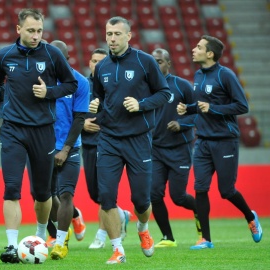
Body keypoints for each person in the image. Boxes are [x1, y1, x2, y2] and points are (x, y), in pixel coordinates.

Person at [0, 8, 77, 264]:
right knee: (11, 188)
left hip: (44, 131)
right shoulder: (5, 55)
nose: (36, 36)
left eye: (39, 31)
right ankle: (11, 245)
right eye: (31, 30)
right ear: (18, 29)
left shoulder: (52, 54)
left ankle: (40, 235)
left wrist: (49, 93)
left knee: (43, 194)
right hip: (12, 129)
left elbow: (71, 84)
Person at [89, 16, 171, 264]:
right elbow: (101, 101)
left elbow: (164, 93)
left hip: (138, 139)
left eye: (116, 34)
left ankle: (143, 228)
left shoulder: (144, 61)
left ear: (128, 36)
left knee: (141, 200)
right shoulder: (101, 67)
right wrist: (96, 107)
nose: (111, 38)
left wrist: (141, 105)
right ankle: (118, 250)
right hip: (109, 140)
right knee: (106, 197)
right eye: (108, 33)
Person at [177, 35, 263, 250]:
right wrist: (187, 108)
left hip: (225, 141)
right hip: (203, 141)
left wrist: (212, 109)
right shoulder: (197, 75)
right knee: (200, 188)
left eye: (199, 47)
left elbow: (242, 106)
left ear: (210, 54)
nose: (194, 49)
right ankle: (206, 239)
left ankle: (250, 216)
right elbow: (202, 105)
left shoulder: (226, 75)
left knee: (226, 191)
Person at [150, 48, 201, 247]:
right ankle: (168, 238)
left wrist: (182, 124)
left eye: (160, 61)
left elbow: (198, 113)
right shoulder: (145, 87)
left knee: (178, 197)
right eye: (153, 61)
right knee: (154, 194)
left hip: (180, 148)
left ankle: (199, 210)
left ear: (168, 64)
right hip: (155, 149)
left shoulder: (182, 86)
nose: (156, 65)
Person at [82, 48, 132, 250]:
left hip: (108, 142)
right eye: (93, 60)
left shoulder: (115, 84)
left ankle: (102, 235)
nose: (96, 65)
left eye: (100, 61)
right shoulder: (81, 85)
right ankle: (122, 214)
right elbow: (72, 113)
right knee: (95, 194)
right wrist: (83, 124)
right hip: (88, 143)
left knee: (105, 194)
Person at [45, 40, 88, 260]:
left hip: (69, 149)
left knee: (65, 193)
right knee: (43, 197)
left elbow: (80, 119)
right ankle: (73, 217)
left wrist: (65, 149)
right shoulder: (42, 82)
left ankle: (60, 243)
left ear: (66, 59)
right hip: (43, 149)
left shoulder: (80, 82)